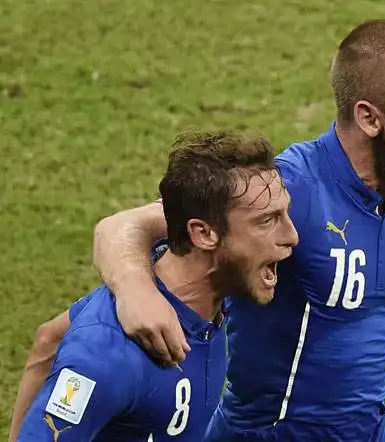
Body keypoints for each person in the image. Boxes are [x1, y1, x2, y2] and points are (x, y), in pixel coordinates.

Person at [16, 19, 385, 442]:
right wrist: (135, 289)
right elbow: (122, 227)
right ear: (370, 117)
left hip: (372, 428)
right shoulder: (288, 192)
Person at [13, 131, 298, 441]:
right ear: (203, 234)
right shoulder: (108, 355)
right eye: (267, 221)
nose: (292, 236)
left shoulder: (210, 292)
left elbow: (48, 340)